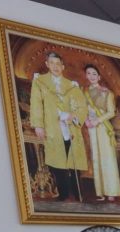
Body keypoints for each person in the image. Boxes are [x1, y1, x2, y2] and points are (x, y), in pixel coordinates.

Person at [28, 51, 88, 203]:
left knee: (73, 160)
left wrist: (73, 116)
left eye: (58, 64)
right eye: (52, 63)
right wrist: (38, 125)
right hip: (52, 127)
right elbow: (36, 104)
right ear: (47, 64)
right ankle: (64, 194)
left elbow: (82, 107)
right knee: (56, 161)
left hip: (70, 128)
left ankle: (78, 195)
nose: (55, 67)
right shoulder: (40, 81)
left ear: (62, 66)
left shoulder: (72, 85)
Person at [83, 64, 120, 202]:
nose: (91, 76)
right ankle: (100, 192)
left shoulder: (107, 93)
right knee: (96, 158)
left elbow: (111, 112)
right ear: (86, 76)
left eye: (94, 73)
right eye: (89, 73)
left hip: (103, 127)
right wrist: (87, 120)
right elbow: (81, 109)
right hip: (91, 127)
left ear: (99, 77)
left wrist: (97, 120)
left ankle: (111, 191)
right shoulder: (83, 92)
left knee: (107, 158)